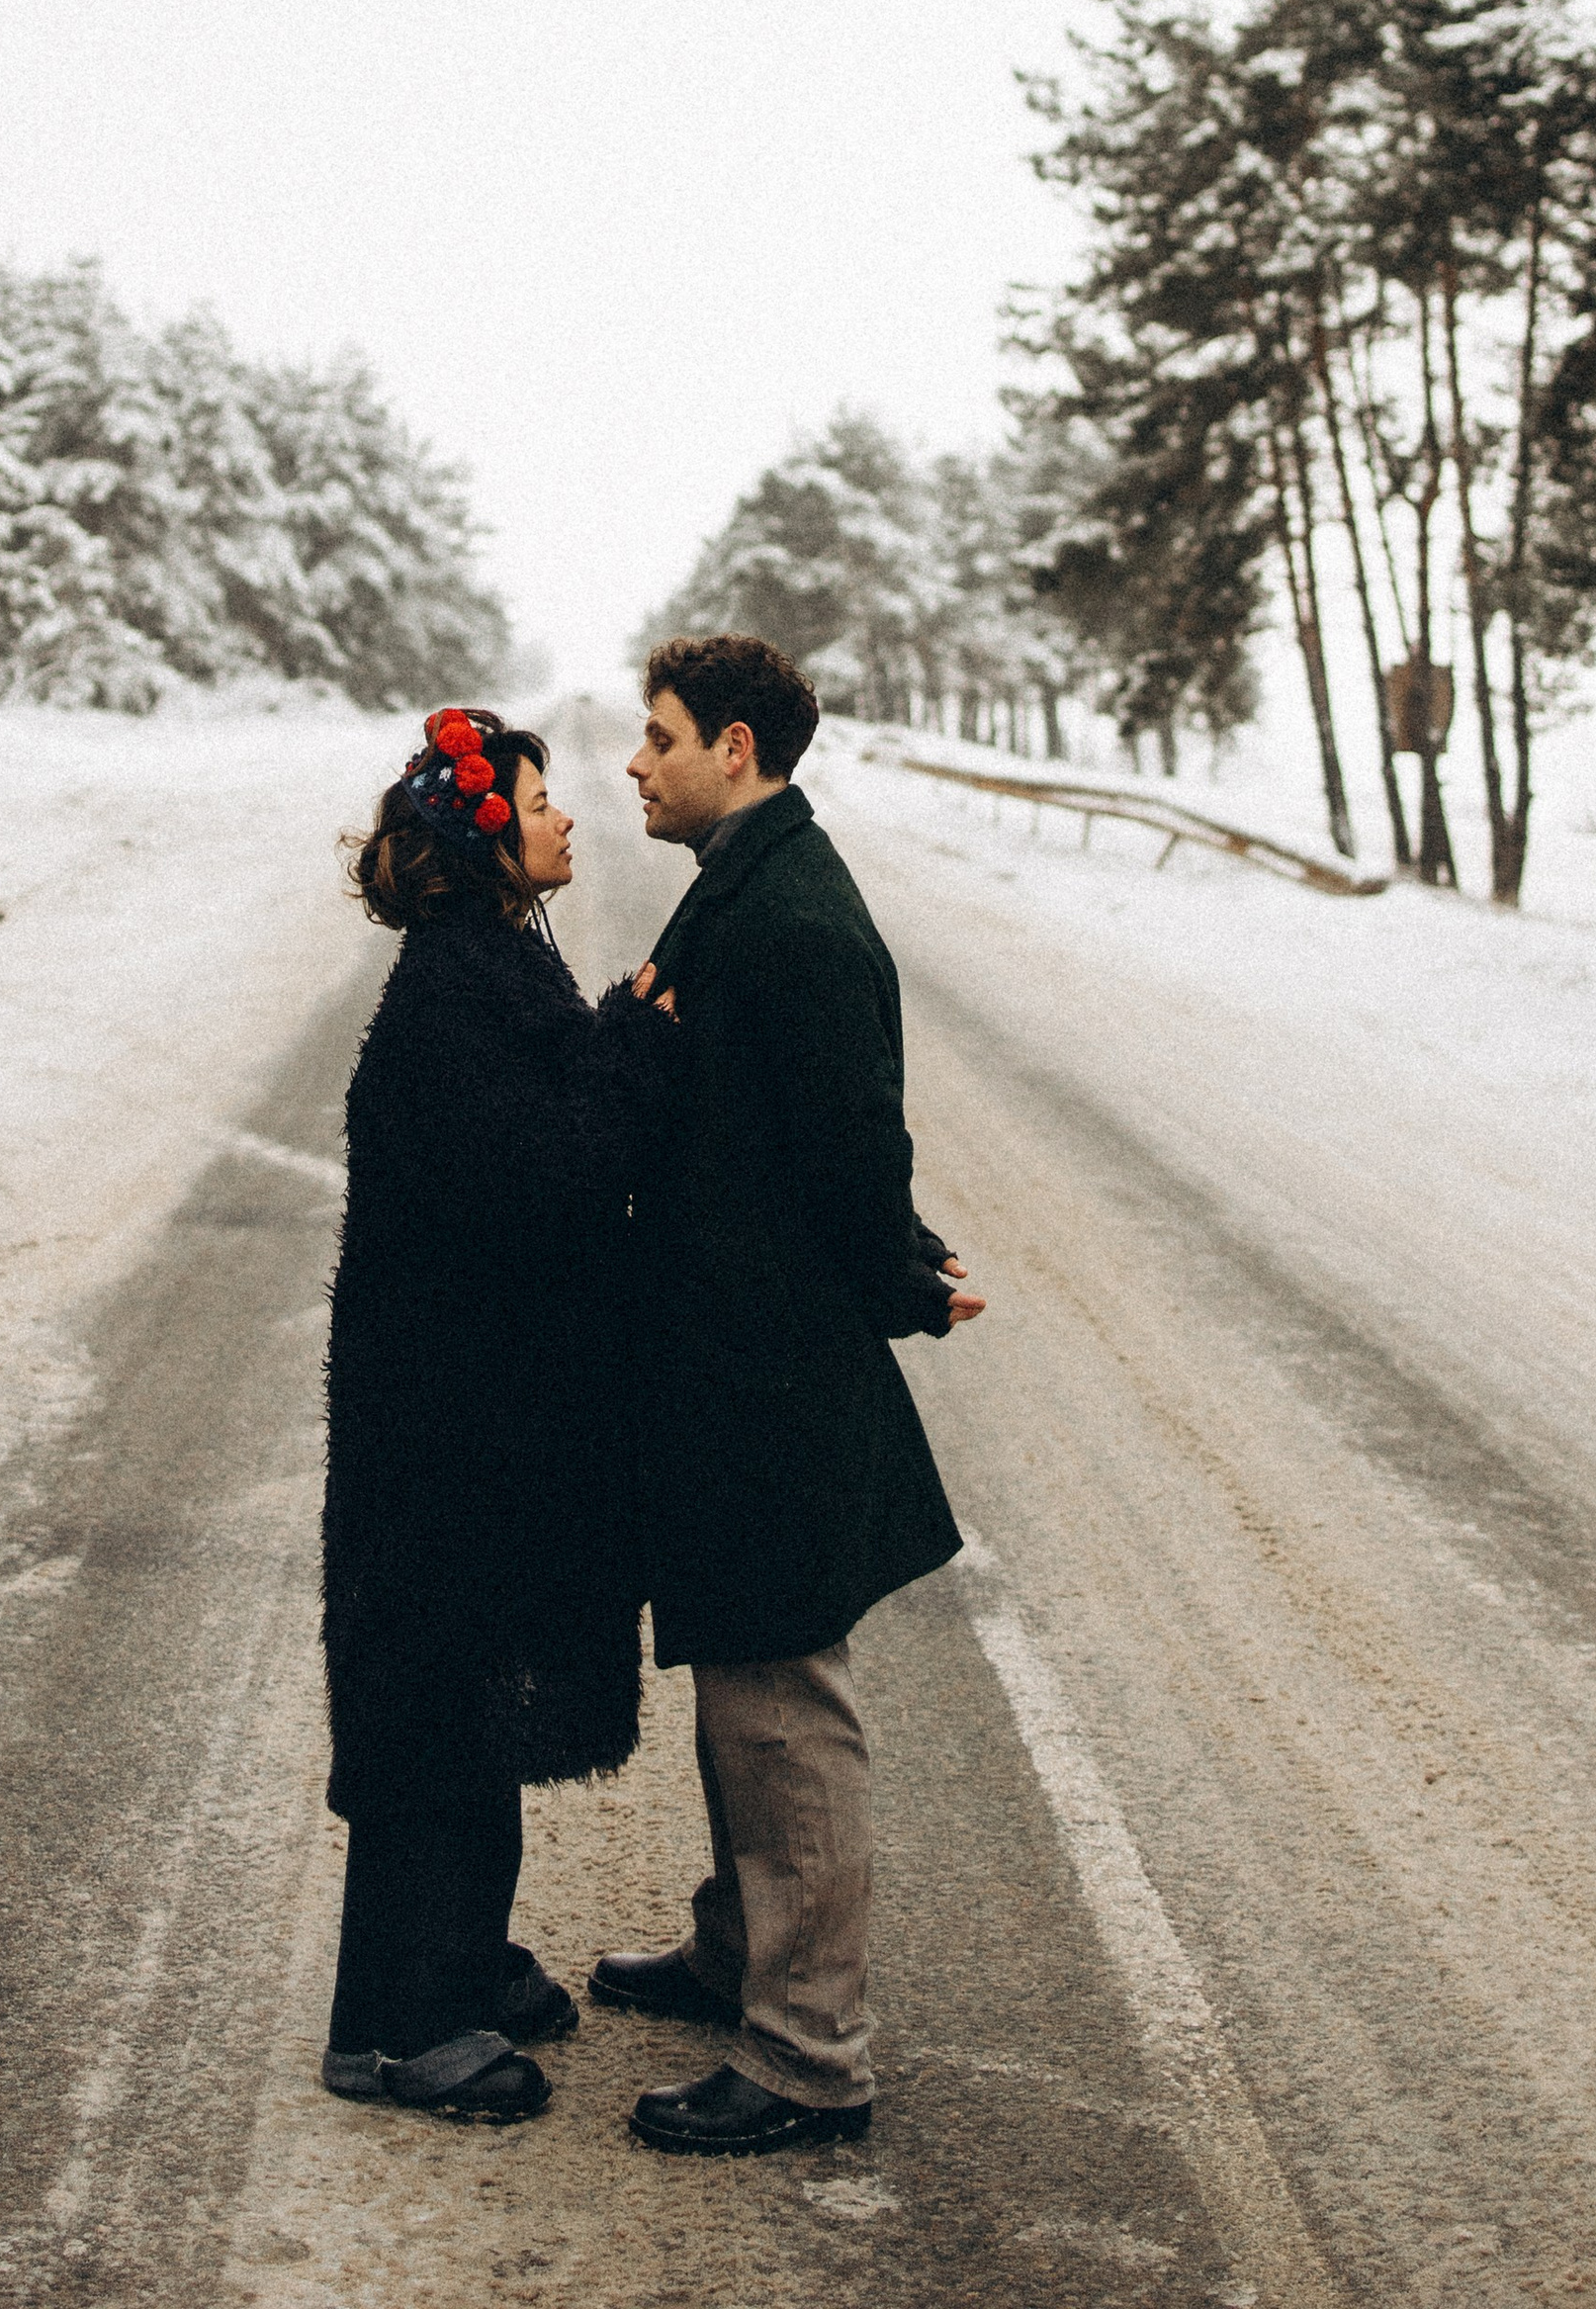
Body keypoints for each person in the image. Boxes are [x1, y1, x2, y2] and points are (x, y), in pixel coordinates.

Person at [594, 633, 984, 2158]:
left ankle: (812, 2048)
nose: (635, 759)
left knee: (782, 1712)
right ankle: (735, 1947)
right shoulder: (744, 880)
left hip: (770, 1374)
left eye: (660, 734)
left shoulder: (799, 921)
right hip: (720, 1362)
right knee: (733, 1693)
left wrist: (905, 1273)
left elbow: (846, 1158)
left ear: (737, 750)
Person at [320, 705, 662, 2124]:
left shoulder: (492, 959)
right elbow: (545, 1182)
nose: (568, 815)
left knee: (470, 1698)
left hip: (478, 1414)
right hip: (438, 1431)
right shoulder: (452, 992)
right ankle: (398, 2024)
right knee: (429, 1713)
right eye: (539, 797)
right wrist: (637, 1056)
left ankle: (458, 1954)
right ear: (487, 834)